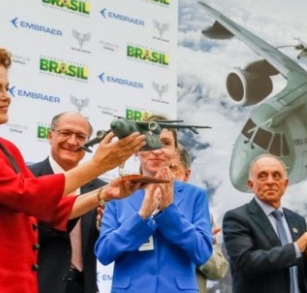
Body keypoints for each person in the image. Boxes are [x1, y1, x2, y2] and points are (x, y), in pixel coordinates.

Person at [0, 41, 146, 293]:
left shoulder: (7, 148)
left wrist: (103, 193)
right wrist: (98, 165)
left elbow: (48, 209)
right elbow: (25, 193)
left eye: (6, 88)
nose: (6, 97)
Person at [95, 115, 213, 293]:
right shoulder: (118, 192)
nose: (157, 150)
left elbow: (202, 253)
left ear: (175, 151)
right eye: (149, 142)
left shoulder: (195, 196)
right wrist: (141, 216)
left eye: (165, 143)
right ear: (136, 149)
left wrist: (168, 212)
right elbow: (104, 253)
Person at [222, 153, 307, 293]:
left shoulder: (297, 220)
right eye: (262, 176)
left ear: (285, 184)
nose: (270, 181)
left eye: (276, 175)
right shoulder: (237, 218)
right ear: (250, 185)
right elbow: (246, 264)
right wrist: (295, 248)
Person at [29, 111, 104, 293]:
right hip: (39, 285)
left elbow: (106, 247)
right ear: (50, 136)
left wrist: (103, 227)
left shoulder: (101, 189)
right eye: (65, 133)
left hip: (84, 287)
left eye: (80, 137)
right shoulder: (28, 179)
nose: (72, 141)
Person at [170, 144, 229, 292]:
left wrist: (198, 246)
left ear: (186, 175)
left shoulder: (201, 216)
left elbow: (219, 270)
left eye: (172, 168)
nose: (164, 174)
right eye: (158, 167)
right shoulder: (134, 211)